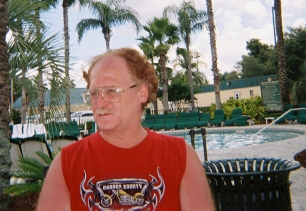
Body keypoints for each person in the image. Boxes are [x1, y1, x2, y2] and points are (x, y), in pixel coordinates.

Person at [37, 48, 215, 211]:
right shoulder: (67, 163)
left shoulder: (181, 157)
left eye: (112, 91)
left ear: (142, 92)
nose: (99, 103)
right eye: (93, 94)